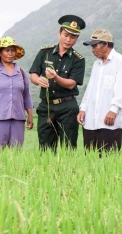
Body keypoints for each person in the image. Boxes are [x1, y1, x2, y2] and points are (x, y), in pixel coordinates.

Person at [29, 15, 86, 152]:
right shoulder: (44, 52)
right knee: (46, 148)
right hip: (46, 106)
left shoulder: (78, 59)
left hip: (67, 107)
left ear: (76, 39)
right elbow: (33, 74)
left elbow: (72, 83)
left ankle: (68, 173)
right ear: (59, 33)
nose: (68, 40)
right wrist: (38, 80)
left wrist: (55, 77)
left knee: (68, 148)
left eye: (73, 37)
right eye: (66, 35)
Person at [78, 29, 122, 157]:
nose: (92, 49)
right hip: (91, 121)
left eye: (95, 45)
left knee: (108, 160)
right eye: (92, 46)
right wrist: (83, 108)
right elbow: (90, 89)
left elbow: (121, 89)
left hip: (109, 121)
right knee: (90, 159)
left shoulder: (120, 62)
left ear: (105, 44)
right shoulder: (97, 64)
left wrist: (114, 109)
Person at [0, 36, 34, 150]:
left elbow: (26, 95)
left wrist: (30, 115)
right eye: (7, 50)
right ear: (0, 53)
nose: (10, 53)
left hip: (18, 118)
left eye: (12, 50)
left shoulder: (21, 72)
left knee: (16, 152)